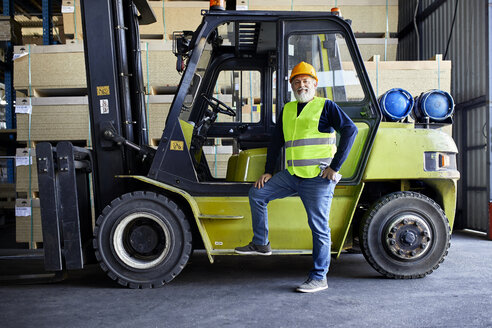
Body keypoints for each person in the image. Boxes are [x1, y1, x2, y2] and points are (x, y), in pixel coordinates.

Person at [234, 61, 358, 293]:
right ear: (292, 85)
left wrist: (335, 167)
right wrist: (269, 171)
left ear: (314, 85)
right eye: (297, 82)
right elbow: (276, 142)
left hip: (317, 179)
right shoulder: (288, 109)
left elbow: (350, 130)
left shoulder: (326, 106)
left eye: (305, 81)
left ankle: (319, 277)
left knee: (319, 227)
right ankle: (261, 243)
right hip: (292, 175)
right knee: (257, 193)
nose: (301, 85)